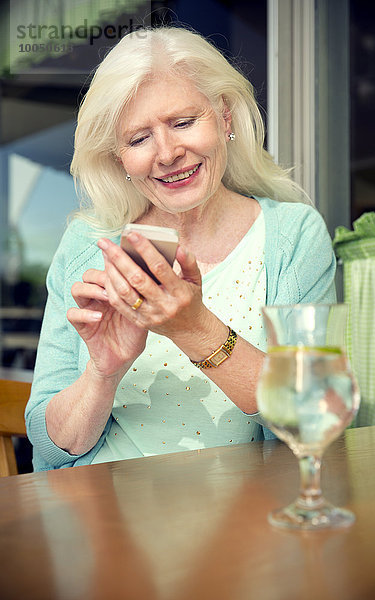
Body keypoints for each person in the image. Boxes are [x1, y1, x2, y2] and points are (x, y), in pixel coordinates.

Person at [25, 26, 336, 471]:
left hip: (245, 520)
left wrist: (196, 329)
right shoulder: (87, 245)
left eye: (183, 123)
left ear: (224, 117)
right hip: (105, 520)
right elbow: (51, 448)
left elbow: (313, 419)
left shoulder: (292, 235)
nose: (167, 153)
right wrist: (103, 371)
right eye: (138, 139)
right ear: (119, 158)